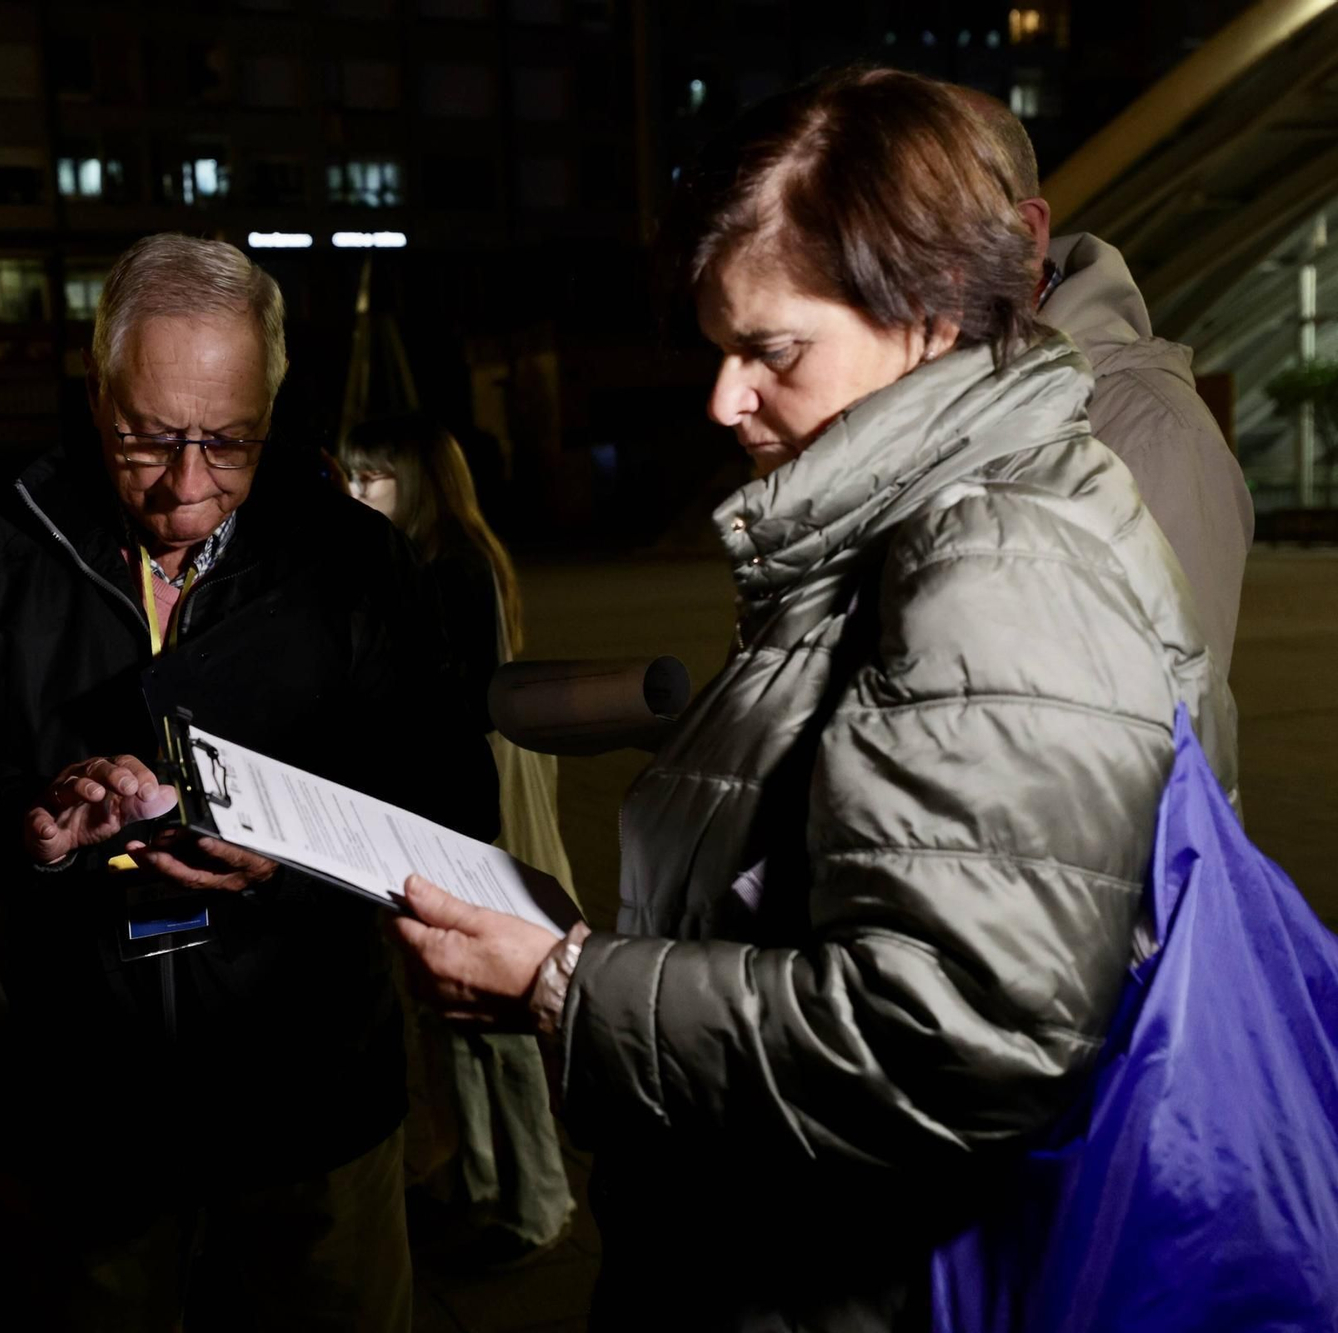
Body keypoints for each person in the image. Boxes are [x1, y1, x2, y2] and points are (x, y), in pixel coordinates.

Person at [390, 69, 1236, 1331]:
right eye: (717, 346)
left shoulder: (994, 556)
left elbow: (955, 1035)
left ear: (936, 312)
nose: (724, 398)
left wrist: (569, 986)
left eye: (769, 349)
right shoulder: (899, 522)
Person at [0, 233, 497, 1332]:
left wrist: (287, 859)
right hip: (75, 1109)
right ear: (95, 389)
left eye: (227, 442)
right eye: (145, 438)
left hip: (309, 1095)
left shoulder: (351, 562)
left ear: (273, 406)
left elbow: (447, 800)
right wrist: (19, 821)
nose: (185, 486)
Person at [339, 415, 576, 1267]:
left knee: (499, 1016)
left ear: (422, 482)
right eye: (352, 477)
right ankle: (477, 1182)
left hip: (475, 814)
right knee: (451, 1007)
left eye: (375, 477)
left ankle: (536, 1199)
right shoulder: (418, 561)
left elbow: (458, 701)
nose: (358, 492)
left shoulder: (456, 567)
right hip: (444, 806)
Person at [961, 88, 1254, 677]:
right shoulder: (907, 398)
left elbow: (1169, 729)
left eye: (915, 227)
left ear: (1025, 231)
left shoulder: (1152, 433)